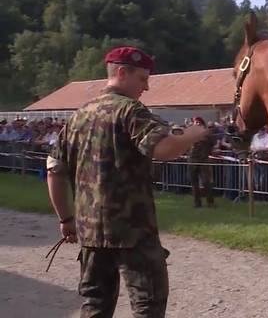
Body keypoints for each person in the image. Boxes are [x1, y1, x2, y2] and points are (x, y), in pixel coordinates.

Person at [46, 46, 208, 318]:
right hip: (133, 232)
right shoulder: (130, 111)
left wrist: (66, 219)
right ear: (122, 72)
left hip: (91, 233)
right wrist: (193, 134)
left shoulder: (78, 116)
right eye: (143, 79)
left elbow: (54, 171)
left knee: (95, 307)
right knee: (148, 307)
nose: (146, 87)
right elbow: (165, 149)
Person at [187, 116, 218, 208]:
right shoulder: (189, 134)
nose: (197, 124)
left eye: (198, 123)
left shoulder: (207, 134)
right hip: (192, 160)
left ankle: (210, 202)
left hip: (203, 160)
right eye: (195, 123)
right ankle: (197, 203)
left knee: (206, 182)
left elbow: (213, 144)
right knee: (194, 183)